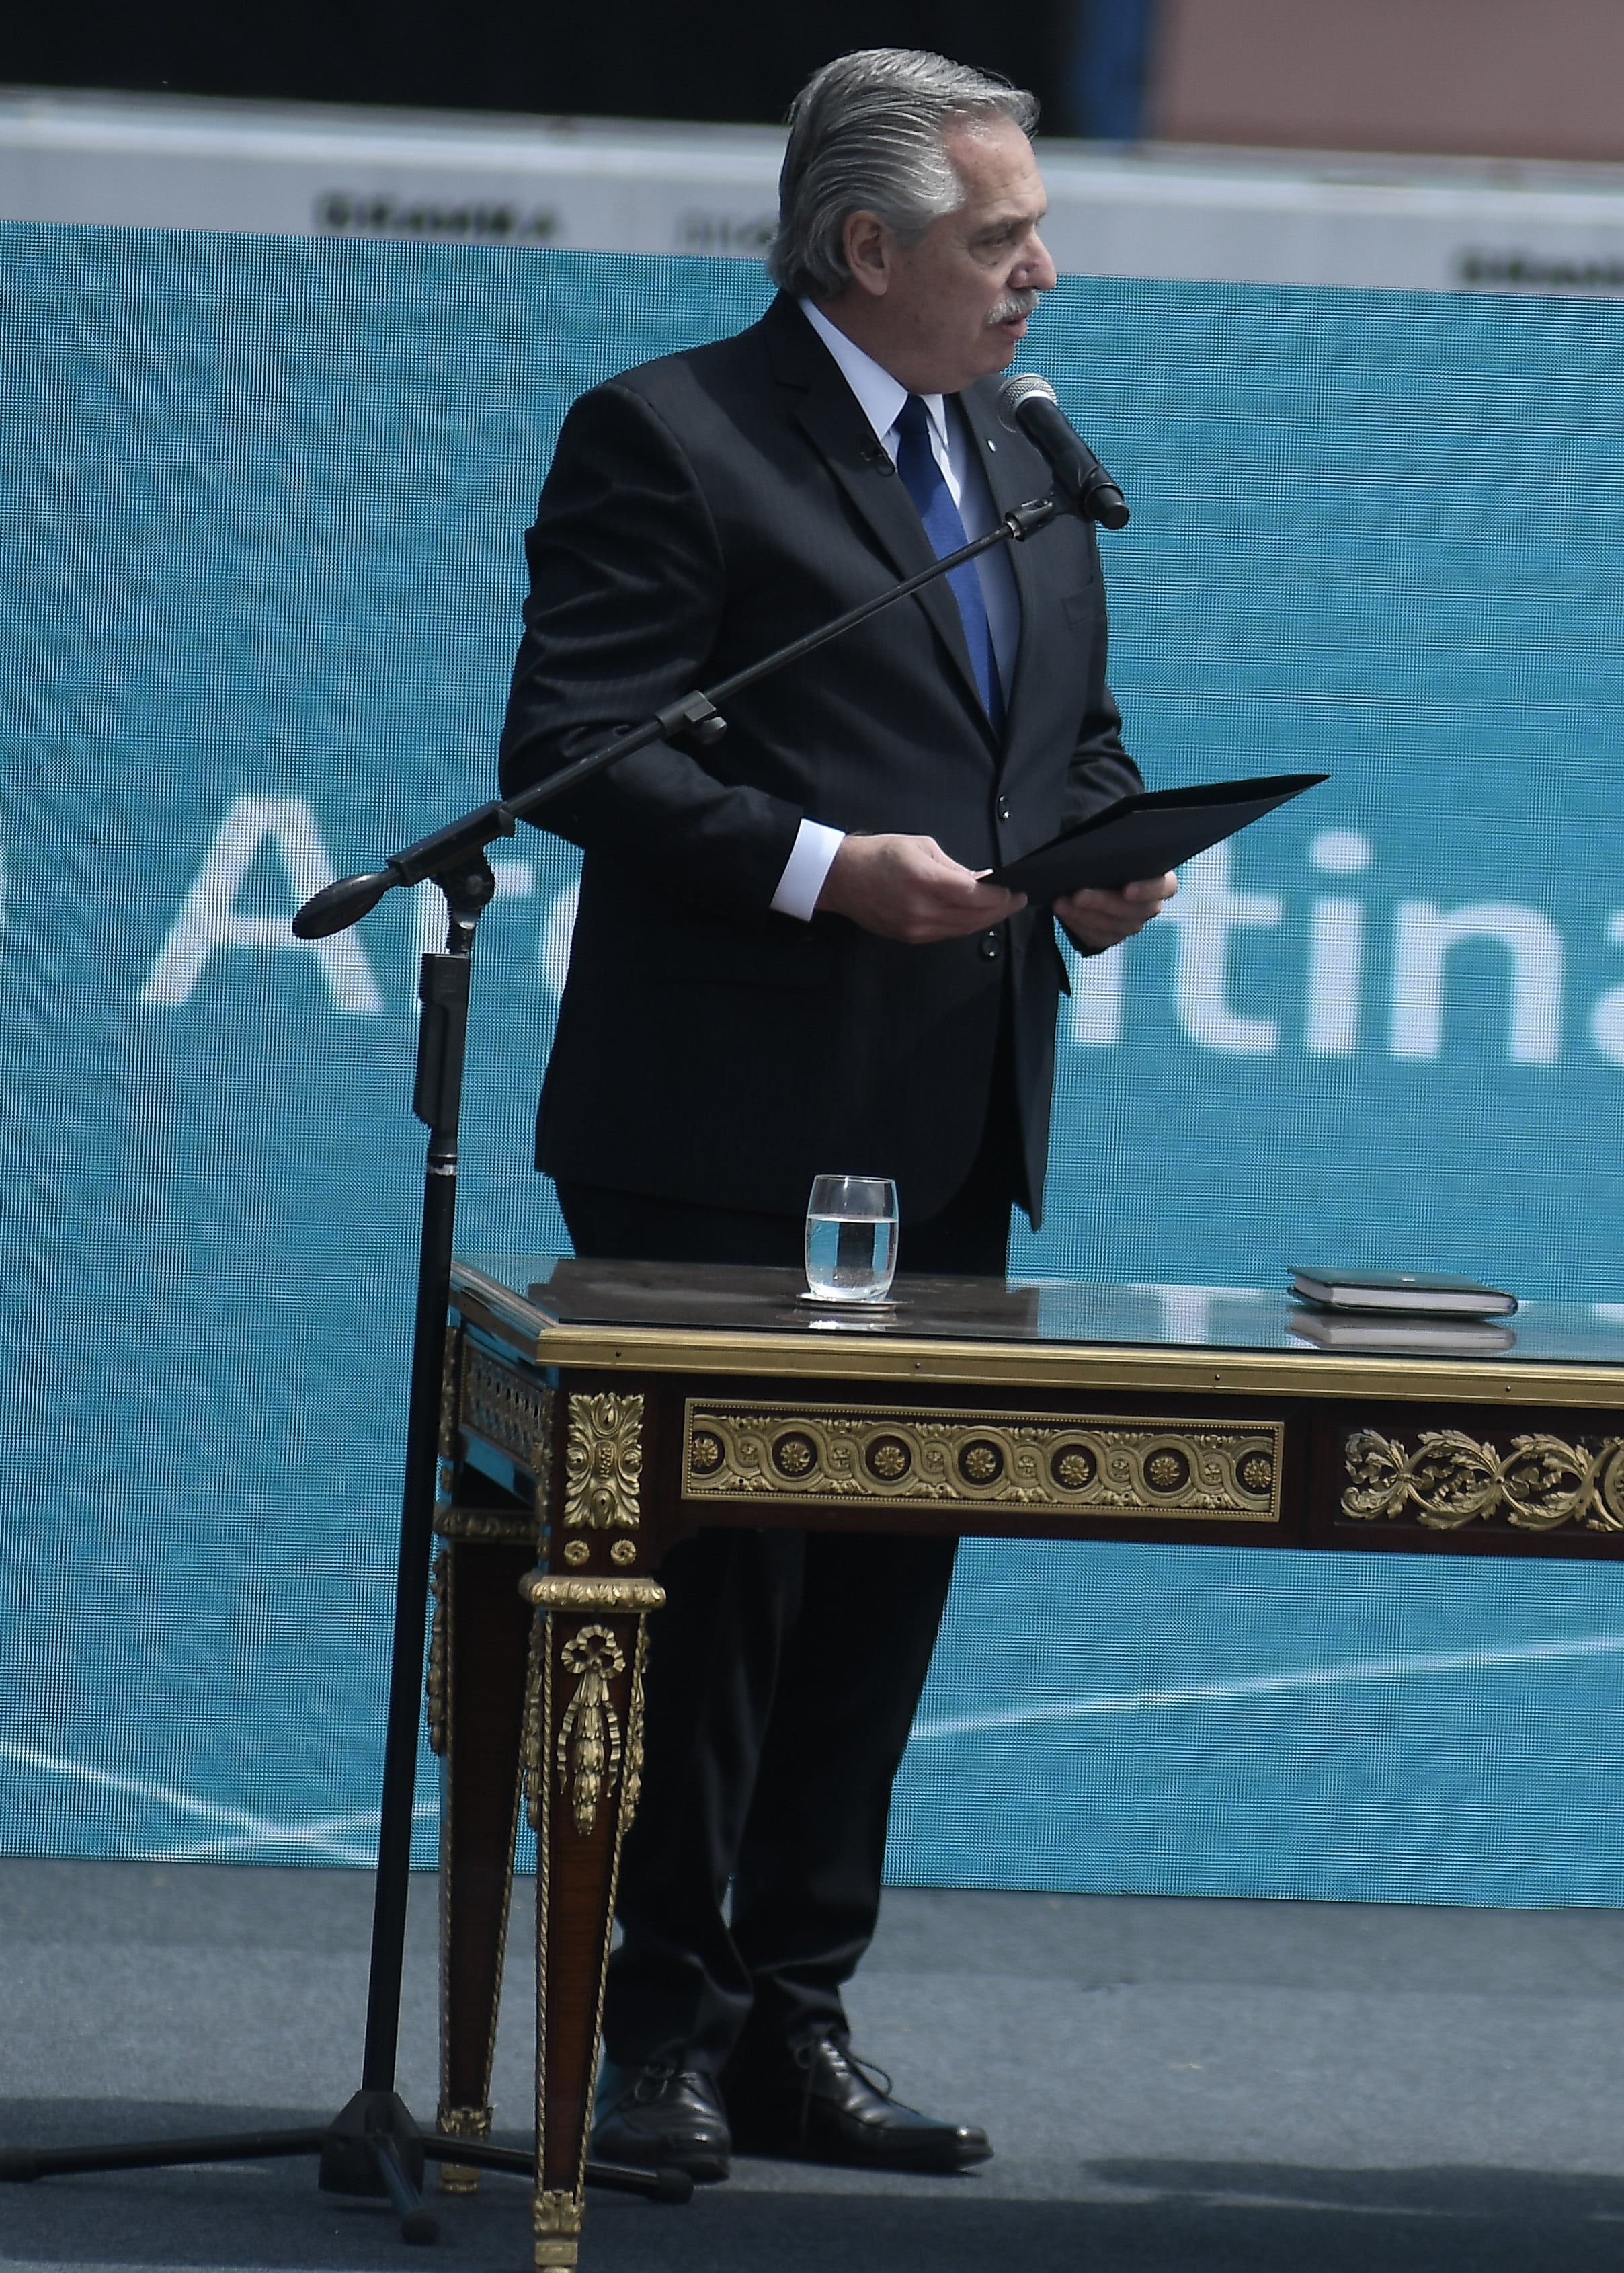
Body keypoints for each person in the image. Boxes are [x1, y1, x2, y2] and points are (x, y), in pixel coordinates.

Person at [495, 48, 1175, 2182]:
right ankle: (646, 2042)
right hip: (722, 1120)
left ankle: (797, 2020)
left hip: (950, 1113)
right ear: (861, 247)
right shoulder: (673, 436)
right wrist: (824, 868)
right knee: (708, 1614)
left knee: (877, 1589)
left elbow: (1063, 738)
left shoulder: (1023, 457)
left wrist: (1101, 850)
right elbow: (579, 749)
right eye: (998, 242)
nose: (1039, 275)